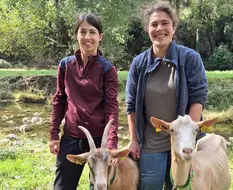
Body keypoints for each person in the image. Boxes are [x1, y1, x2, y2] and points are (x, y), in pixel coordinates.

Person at [125, 1, 208, 190]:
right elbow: (130, 105)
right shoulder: (139, 63)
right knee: (149, 185)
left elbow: (198, 98)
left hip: (182, 142)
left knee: (179, 185)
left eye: (165, 23)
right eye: (154, 24)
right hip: (151, 142)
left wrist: (188, 137)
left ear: (174, 27)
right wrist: (134, 140)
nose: (159, 28)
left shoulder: (190, 58)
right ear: (148, 29)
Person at [49, 13, 119, 190]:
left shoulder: (107, 69)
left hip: (97, 140)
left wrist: (111, 143)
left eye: (92, 32)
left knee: (99, 187)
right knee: (62, 186)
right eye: (83, 32)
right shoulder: (65, 65)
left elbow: (112, 107)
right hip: (71, 137)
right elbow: (59, 100)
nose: (87, 37)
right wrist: (54, 134)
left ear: (100, 37)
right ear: (76, 35)